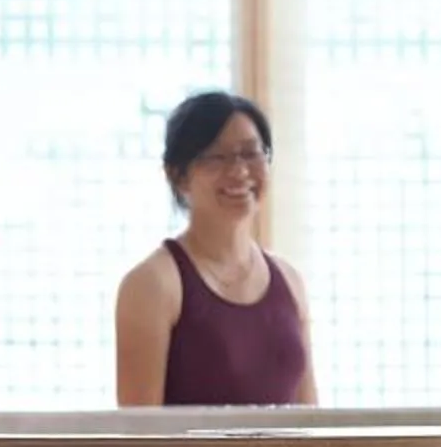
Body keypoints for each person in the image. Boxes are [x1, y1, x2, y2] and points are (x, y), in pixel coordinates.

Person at [115, 91, 316, 407]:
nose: (239, 171)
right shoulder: (152, 284)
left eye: (251, 153)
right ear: (178, 175)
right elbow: (141, 431)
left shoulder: (289, 280)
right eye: (216, 157)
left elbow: (311, 416)